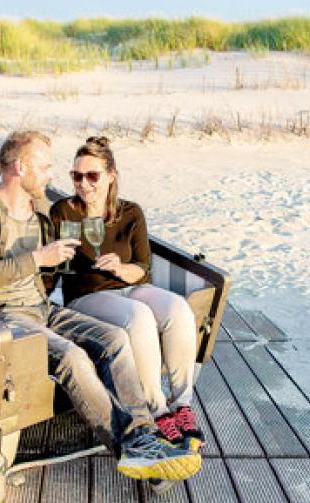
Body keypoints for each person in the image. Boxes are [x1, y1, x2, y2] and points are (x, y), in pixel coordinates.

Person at [0, 130, 201, 482]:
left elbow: (53, 273)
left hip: (42, 308)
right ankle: (130, 444)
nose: (51, 175)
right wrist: (38, 258)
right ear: (20, 167)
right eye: (45, 167)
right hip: (2, 316)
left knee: (114, 338)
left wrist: (58, 267)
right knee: (71, 356)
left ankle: (146, 433)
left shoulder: (40, 210)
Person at [50, 136, 205, 452]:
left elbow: (142, 268)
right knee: (139, 316)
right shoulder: (65, 211)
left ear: (111, 175)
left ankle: (182, 404)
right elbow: (57, 266)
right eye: (76, 176)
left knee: (178, 309)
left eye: (92, 175)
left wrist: (121, 268)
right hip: (87, 294)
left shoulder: (131, 212)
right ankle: (155, 409)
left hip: (129, 285)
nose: (83, 184)